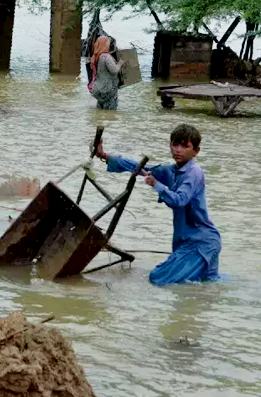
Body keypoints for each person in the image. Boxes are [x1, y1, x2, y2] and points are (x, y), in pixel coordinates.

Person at [95, 124, 221, 285]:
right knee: (207, 286)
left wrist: (156, 185)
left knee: (158, 278)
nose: (178, 150)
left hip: (200, 244)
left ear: (196, 151)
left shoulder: (194, 173)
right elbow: (139, 167)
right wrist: (104, 155)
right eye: (175, 144)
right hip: (190, 242)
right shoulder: (171, 170)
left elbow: (179, 200)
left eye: (184, 146)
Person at [88, 36, 124, 110]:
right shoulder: (106, 57)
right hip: (108, 89)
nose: (108, 45)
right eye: (107, 43)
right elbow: (114, 70)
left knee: (100, 110)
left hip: (98, 88)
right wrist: (120, 63)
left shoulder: (95, 57)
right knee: (111, 113)